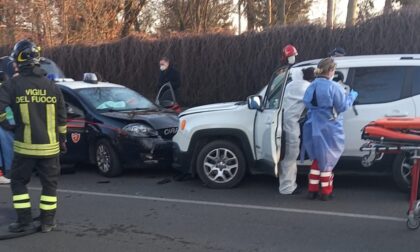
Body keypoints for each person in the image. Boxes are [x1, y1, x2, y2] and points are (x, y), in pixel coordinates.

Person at [0, 39, 67, 233]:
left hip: (25, 147)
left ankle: (24, 221)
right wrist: (62, 140)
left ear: (19, 61)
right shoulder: (52, 86)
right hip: (50, 148)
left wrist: (6, 124)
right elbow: (62, 119)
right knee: (50, 187)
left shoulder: (13, 85)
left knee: (19, 182)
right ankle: (47, 222)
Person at [301, 57, 358, 201]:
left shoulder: (311, 86)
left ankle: (312, 190)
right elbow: (342, 106)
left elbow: (307, 103)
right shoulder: (334, 87)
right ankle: (326, 192)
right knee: (328, 159)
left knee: (317, 157)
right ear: (331, 71)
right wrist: (351, 96)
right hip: (329, 127)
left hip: (312, 125)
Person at [279, 67, 315, 195]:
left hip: (283, 124)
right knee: (290, 156)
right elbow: (315, 102)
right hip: (291, 126)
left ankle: (287, 184)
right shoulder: (305, 87)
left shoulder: (290, 85)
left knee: (286, 156)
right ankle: (287, 187)